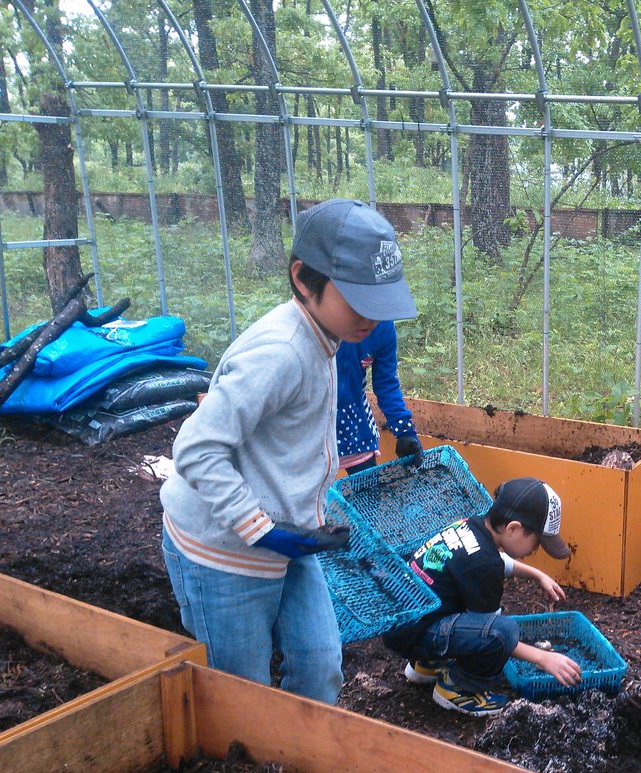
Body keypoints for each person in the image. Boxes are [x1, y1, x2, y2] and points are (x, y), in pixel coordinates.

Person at [160, 198, 417, 704]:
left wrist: (305, 517)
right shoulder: (280, 352)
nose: (373, 316)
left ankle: (301, 760)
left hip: (288, 542)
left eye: (381, 300)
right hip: (223, 550)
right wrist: (261, 528)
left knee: (321, 669)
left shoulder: (330, 335)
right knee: (243, 696)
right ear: (304, 278)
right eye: (358, 297)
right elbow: (195, 447)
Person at [383, 477, 583, 717]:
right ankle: (458, 689)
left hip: (402, 623)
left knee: (453, 600)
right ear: (513, 529)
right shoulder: (484, 566)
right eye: (537, 542)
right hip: (415, 634)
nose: (535, 550)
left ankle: (426, 666)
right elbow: (492, 634)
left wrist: (537, 574)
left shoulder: (469, 526)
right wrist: (542, 658)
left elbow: (494, 560)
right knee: (505, 631)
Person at [336, 327, 422, 475]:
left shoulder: (383, 329)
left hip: (356, 428)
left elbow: (386, 383)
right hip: (311, 427)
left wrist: (405, 431)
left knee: (367, 492)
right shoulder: (321, 320)